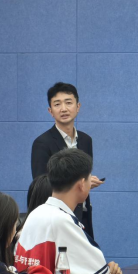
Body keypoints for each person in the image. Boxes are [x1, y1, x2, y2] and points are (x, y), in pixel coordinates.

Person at [17, 149, 122, 274]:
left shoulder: (36, 213)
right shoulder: (62, 220)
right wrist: (108, 270)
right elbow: (98, 272)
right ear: (82, 184)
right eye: (89, 178)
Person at [31, 82, 104, 239]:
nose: (63, 109)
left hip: (83, 215)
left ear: (78, 107)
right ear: (50, 111)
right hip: (56, 220)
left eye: (68, 102)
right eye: (57, 104)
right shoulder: (42, 143)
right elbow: (40, 186)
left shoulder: (86, 140)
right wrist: (78, 183)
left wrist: (87, 183)